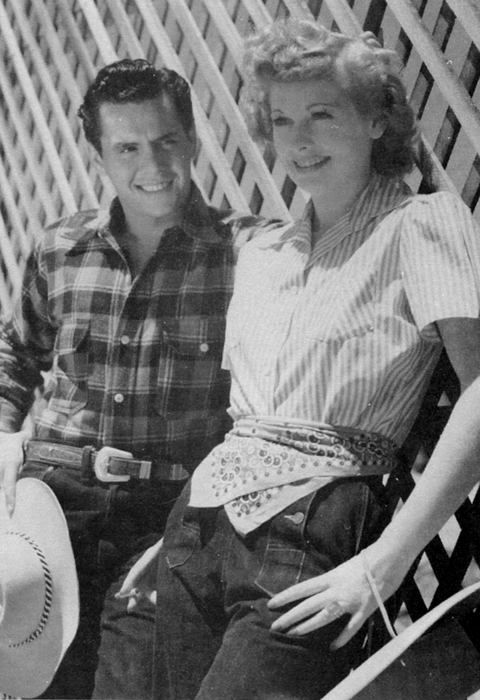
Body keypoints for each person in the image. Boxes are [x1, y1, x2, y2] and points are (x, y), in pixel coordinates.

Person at [120, 18, 480, 700]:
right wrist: (188, 525)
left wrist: (385, 562)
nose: (299, 141)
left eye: (322, 114)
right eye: (283, 120)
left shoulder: (421, 226)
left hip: (314, 534)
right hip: (197, 530)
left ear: (376, 120)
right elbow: (242, 418)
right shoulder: (264, 254)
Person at [0, 58, 279, 699]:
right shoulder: (61, 248)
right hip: (48, 506)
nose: (152, 164)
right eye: (127, 147)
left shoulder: (248, 254)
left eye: (166, 140)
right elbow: (14, 355)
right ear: (99, 154)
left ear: (194, 139)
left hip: (166, 518)